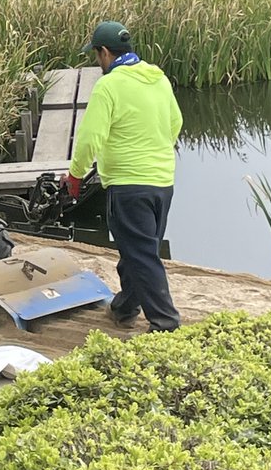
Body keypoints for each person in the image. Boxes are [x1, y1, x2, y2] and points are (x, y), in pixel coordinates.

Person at [63, 20, 183, 332]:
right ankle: (125, 307)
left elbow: (90, 138)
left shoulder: (109, 85)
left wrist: (75, 176)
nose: (97, 62)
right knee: (140, 249)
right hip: (162, 181)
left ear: (104, 52)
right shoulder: (158, 79)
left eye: (96, 55)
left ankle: (165, 323)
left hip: (129, 184)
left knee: (141, 255)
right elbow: (175, 123)